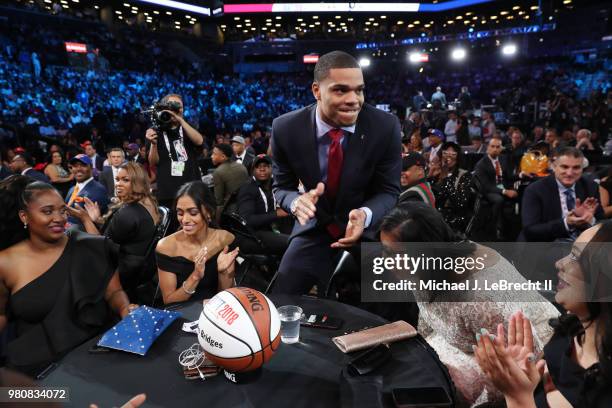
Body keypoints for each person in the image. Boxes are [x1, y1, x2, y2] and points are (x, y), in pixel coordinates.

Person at [379, 203, 559, 407]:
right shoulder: (426, 268)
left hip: (510, 352)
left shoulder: (480, 298)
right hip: (463, 339)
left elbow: (514, 364)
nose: (386, 261)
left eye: (395, 254)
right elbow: (429, 321)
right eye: (385, 251)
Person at [271, 50, 401, 294]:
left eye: (359, 90)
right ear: (316, 91)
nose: (354, 99)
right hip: (314, 228)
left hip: (368, 233)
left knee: (386, 311)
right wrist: (296, 202)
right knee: (281, 300)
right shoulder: (285, 128)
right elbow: (281, 188)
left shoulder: (385, 126)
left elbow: (389, 190)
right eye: (341, 90)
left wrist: (364, 215)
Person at [0, 176, 135, 376]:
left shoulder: (90, 246)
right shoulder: (5, 262)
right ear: (24, 216)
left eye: (62, 210)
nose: (59, 218)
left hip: (95, 357)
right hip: (35, 368)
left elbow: (114, 291)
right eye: (47, 211)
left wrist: (125, 308)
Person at [474, 221, 612, 407]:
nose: (559, 263)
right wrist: (521, 377)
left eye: (576, 258)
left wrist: (518, 397)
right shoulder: (568, 333)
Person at [66, 162, 160, 302]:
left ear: (138, 182)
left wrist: (85, 219)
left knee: (73, 234)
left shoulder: (128, 213)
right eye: (117, 179)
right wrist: (97, 219)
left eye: (125, 180)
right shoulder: (148, 202)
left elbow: (101, 247)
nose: (118, 184)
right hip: (138, 265)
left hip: (123, 270)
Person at [155, 181, 239, 304]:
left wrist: (223, 273)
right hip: (182, 311)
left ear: (209, 212)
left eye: (193, 213)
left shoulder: (225, 239)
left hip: (215, 309)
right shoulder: (166, 247)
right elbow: (169, 301)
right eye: (180, 213)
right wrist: (195, 276)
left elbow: (226, 298)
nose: (185, 220)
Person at [521, 147, 604, 242]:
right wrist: (566, 223)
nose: (569, 173)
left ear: (582, 169)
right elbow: (530, 230)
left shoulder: (591, 186)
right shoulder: (535, 189)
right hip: (546, 245)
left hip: (583, 245)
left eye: (576, 167)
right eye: (564, 167)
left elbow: (601, 221)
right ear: (554, 167)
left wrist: (590, 220)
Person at [145, 94, 204, 212]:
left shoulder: (187, 127)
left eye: (179, 106)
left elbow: (199, 141)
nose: (175, 109)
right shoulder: (156, 130)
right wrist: (153, 143)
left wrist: (180, 119)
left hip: (191, 187)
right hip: (168, 190)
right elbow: (152, 162)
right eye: (171, 105)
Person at [236, 154, 291, 255]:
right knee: (292, 242)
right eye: (258, 166)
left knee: (300, 235)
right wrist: (276, 214)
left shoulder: (275, 184)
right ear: (253, 170)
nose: (262, 169)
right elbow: (247, 220)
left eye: (265, 166)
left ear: (272, 168)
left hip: (272, 226)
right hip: (254, 234)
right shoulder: (248, 188)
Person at [473, 136, 519, 240]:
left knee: (517, 194)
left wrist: (520, 175)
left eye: (497, 147)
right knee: (499, 199)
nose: (495, 149)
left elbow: (508, 177)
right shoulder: (481, 164)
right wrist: (504, 191)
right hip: (488, 190)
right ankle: (494, 227)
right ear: (488, 148)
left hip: (501, 187)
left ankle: (513, 229)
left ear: (501, 149)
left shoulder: (503, 159)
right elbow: (485, 186)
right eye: (492, 146)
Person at [432, 142, 473, 233]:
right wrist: (430, 177)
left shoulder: (464, 175)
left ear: (458, 158)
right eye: (445, 153)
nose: (448, 157)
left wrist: (446, 178)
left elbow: (460, 204)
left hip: (453, 218)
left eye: (453, 154)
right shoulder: (435, 172)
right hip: (432, 214)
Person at [65, 154, 109, 230]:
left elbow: (96, 222)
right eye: (75, 166)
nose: (78, 169)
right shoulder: (72, 189)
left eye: (83, 165)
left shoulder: (99, 190)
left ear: (91, 167)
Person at [211, 143, 249, 224]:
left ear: (223, 157)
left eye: (214, 154)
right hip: (247, 205)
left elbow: (219, 201)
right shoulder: (241, 166)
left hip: (231, 211)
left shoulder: (218, 172)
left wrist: (217, 222)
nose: (211, 156)